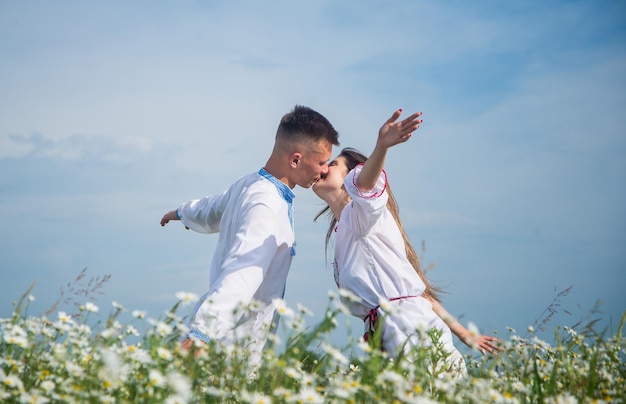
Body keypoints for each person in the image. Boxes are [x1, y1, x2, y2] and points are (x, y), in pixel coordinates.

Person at [312, 109, 500, 376]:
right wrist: (463, 333)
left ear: (349, 179)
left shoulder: (362, 214)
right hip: (390, 331)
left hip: (409, 329)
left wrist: (381, 147)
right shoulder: (346, 229)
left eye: (331, 165)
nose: (322, 168)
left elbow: (365, 186)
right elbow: (417, 293)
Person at [161, 105, 340, 365]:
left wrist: (181, 212)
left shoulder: (249, 185)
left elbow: (212, 208)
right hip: (231, 353)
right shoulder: (266, 205)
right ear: (296, 159)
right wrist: (202, 334)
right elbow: (243, 270)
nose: (325, 170)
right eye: (322, 162)